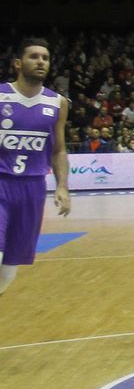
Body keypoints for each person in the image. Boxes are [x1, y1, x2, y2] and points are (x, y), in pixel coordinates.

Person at [0, 39, 71, 297]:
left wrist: (62, 186)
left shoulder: (57, 103)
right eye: (34, 56)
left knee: (8, 271)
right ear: (18, 63)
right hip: (1, 181)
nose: (41, 61)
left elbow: (59, 149)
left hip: (32, 188)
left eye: (45, 57)